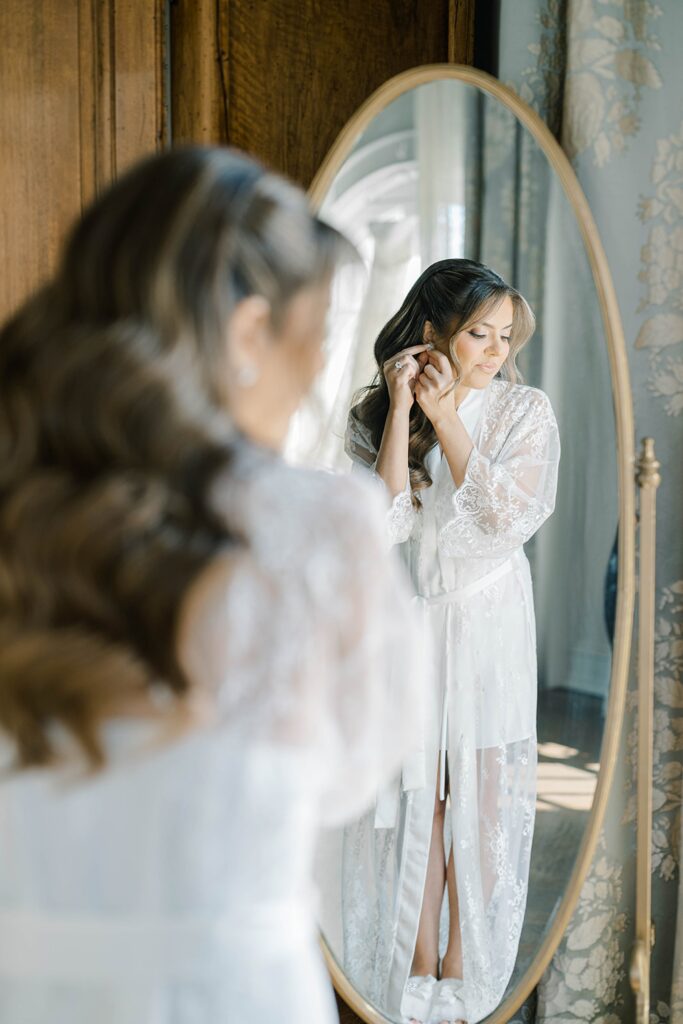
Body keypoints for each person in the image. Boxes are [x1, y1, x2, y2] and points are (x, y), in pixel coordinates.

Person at [0, 146, 419, 1024]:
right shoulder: (314, 528)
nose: (312, 380)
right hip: (227, 993)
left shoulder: (19, 506)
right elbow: (352, 775)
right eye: (312, 341)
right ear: (245, 333)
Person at [343, 259, 561, 1024]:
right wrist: (403, 406)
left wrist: (449, 419)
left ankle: (467, 979)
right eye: (480, 333)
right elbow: (385, 524)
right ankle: (413, 968)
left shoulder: (523, 411)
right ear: (434, 330)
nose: (496, 349)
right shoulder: (377, 410)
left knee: (482, 792)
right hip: (415, 620)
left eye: (506, 335)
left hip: (487, 618)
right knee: (422, 799)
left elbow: (504, 521)